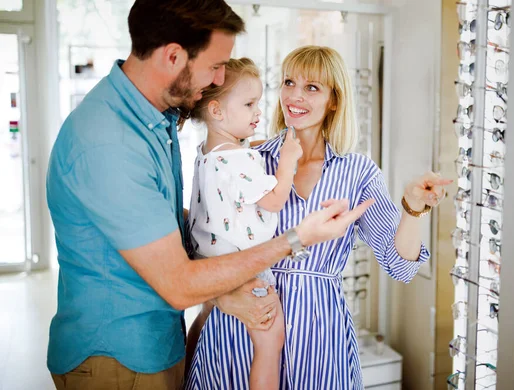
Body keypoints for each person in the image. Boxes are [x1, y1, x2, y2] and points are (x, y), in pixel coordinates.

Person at [45, 1, 372, 388]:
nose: (219, 80)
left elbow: (158, 221)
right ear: (173, 56)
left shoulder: (153, 119)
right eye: (215, 66)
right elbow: (179, 283)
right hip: (118, 358)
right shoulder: (111, 141)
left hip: (153, 347)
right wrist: (297, 238)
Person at [186, 45, 452, 389]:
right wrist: (219, 298)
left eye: (312, 87)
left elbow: (400, 267)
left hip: (319, 341)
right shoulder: (249, 159)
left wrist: (412, 208)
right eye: (289, 82)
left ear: (334, 100)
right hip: (242, 327)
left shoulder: (359, 172)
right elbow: (202, 242)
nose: (295, 96)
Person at [186, 57, 302, 389]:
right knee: (270, 337)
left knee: (204, 322)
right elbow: (274, 199)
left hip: (212, 266)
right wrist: (288, 161)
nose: (258, 112)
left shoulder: (207, 154)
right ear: (217, 111)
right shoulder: (241, 158)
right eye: (249, 104)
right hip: (245, 268)